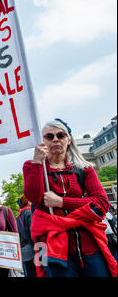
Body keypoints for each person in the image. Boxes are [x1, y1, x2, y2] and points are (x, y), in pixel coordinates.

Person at [23, 119, 116, 277]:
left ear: (69, 139)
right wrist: (37, 161)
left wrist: (61, 202)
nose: (55, 139)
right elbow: (35, 198)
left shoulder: (84, 168)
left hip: (89, 244)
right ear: (42, 141)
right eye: (49, 136)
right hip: (50, 247)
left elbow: (101, 203)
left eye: (60, 135)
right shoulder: (31, 166)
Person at [16, 194, 36, 277]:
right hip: (33, 248)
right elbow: (32, 231)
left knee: (28, 272)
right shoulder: (29, 212)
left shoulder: (18, 216)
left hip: (24, 249)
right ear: (28, 202)